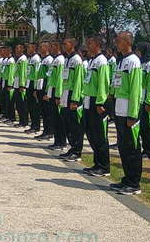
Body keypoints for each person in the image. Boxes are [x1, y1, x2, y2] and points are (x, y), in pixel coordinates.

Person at [111, 31, 143, 195]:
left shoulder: (133, 61)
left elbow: (136, 90)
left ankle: (134, 183)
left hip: (128, 110)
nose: (116, 43)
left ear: (127, 41)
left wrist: (133, 115)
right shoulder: (121, 61)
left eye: (118, 40)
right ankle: (127, 179)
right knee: (123, 147)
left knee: (132, 148)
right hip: (119, 108)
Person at [81, 36, 111, 177]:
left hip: (96, 101)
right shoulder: (91, 61)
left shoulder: (101, 61)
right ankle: (96, 163)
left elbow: (103, 84)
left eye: (90, 42)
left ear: (98, 44)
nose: (87, 44)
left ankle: (104, 166)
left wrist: (100, 102)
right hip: (88, 98)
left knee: (100, 135)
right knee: (90, 132)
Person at [60, 39, 85, 162]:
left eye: (66, 43)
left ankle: (77, 151)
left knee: (75, 125)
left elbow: (78, 81)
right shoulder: (66, 59)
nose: (64, 45)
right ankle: (72, 148)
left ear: (73, 45)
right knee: (67, 123)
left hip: (72, 94)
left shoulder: (76, 60)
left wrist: (75, 99)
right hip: (65, 92)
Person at [136, 41, 150, 159]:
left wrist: (149, 101)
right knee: (143, 126)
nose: (137, 52)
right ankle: (145, 149)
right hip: (141, 98)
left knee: (149, 126)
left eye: (139, 50)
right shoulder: (141, 63)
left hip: (148, 99)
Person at [46, 40, 66, 150]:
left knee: (59, 118)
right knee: (54, 117)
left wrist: (58, 95)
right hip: (52, 90)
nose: (50, 49)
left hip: (57, 91)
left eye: (52, 47)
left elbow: (59, 79)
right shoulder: (55, 60)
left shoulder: (60, 60)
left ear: (57, 47)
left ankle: (61, 142)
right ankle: (57, 141)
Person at [34, 42, 54, 140]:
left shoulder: (49, 60)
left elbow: (49, 77)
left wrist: (47, 92)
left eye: (41, 47)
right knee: (43, 111)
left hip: (45, 86)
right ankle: (45, 131)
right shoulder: (43, 60)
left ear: (47, 48)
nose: (39, 48)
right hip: (40, 87)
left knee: (47, 112)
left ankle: (49, 132)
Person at [24, 43, 42, 133]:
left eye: (29, 47)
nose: (27, 49)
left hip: (33, 84)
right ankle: (33, 125)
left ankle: (36, 126)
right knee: (30, 106)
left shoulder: (36, 59)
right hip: (28, 83)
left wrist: (35, 88)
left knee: (35, 107)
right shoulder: (29, 58)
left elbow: (36, 74)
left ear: (34, 48)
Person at [13, 44, 29, 127]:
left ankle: (24, 121)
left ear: (22, 49)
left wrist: (22, 85)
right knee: (18, 104)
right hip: (16, 83)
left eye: (18, 48)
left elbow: (23, 72)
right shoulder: (18, 59)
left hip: (20, 85)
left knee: (22, 104)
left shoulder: (23, 59)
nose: (16, 49)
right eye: (15, 48)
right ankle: (21, 121)